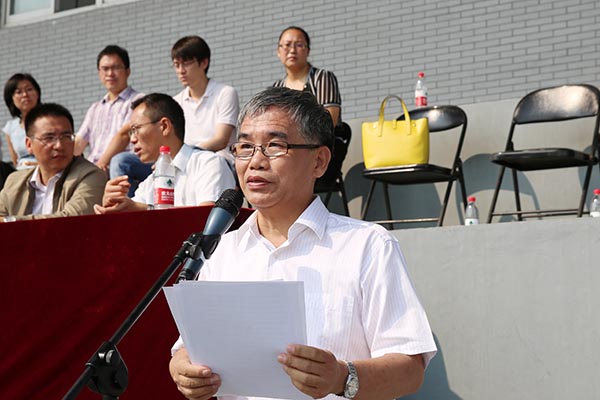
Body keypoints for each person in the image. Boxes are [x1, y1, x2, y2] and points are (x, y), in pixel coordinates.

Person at [168, 87, 437, 400]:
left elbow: (410, 369)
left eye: (274, 146)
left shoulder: (368, 245)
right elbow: (186, 351)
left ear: (319, 161)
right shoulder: (222, 251)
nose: (255, 161)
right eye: (245, 147)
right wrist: (184, 370)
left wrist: (342, 377)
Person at [93, 93, 236, 214]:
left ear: (164, 126)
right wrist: (112, 207)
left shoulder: (208, 164)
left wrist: (145, 209)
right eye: (131, 132)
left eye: (136, 129)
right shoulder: (149, 183)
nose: (132, 139)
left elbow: (207, 218)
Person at [0, 103, 106, 221]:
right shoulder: (15, 181)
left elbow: (70, 220)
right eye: (49, 138)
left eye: (66, 136)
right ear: (29, 145)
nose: (59, 145)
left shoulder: (91, 176)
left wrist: (9, 221)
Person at [273, 26, 347, 188]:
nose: (292, 50)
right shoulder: (277, 88)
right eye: (287, 45)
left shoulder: (322, 78)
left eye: (299, 45)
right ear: (278, 51)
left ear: (308, 51)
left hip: (317, 148)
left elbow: (330, 120)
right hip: (286, 150)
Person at [75, 45, 152, 196]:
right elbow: (79, 143)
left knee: (119, 160)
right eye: (105, 69)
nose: (110, 73)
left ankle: (124, 208)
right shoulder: (95, 108)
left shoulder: (139, 101)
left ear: (128, 71)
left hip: (124, 164)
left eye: (116, 68)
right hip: (95, 168)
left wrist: (102, 163)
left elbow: (124, 135)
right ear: (99, 73)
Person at [171, 35, 239, 165]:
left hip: (220, 160)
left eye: (186, 63)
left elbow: (221, 140)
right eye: (176, 65)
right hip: (188, 163)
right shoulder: (176, 102)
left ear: (204, 63)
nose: (181, 71)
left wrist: (188, 154)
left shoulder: (225, 93)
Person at [3, 73, 41, 169]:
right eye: (18, 92)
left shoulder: (50, 120)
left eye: (29, 89)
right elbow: (15, 161)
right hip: (22, 173)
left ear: (37, 94)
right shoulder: (10, 127)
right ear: (12, 99)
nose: (25, 95)